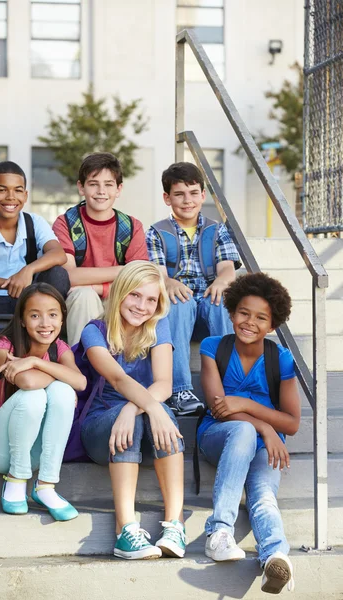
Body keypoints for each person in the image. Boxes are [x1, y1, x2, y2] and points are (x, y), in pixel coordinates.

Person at [198, 272, 300, 594]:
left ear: (272, 325)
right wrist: (264, 426)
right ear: (231, 313)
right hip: (219, 434)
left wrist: (246, 404)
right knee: (241, 429)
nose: (249, 322)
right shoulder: (212, 347)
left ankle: (275, 557)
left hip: (266, 446)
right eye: (243, 313)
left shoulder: (280, 358)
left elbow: (293, 423)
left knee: (264, 495)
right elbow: (218, 407)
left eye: (260, 318)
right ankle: (219, 532)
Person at [80, 261, 186, 560]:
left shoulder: (158, 326)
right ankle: (126, 530)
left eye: (151, 299)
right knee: (151, 415)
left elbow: (165, 383)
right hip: (100, 428)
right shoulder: (94, 330)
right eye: (135, 296)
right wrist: (138, 410)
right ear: (120, 293)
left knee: (159, 415)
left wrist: (133, 408)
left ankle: (175, 525)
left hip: (140, 420)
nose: (142, 306)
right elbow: (117, 378)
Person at [0, 282, 87, 520]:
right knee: (37, 395)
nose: (45, 323)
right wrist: (58, 374)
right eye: (35, 315)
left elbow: (81, 382)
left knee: (63, 392)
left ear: (62, 319)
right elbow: (27, 382)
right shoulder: (3, 347)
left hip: (35, 451)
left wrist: (36, 362)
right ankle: (16, 480)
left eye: (53, 315)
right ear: (23, 320)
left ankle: (45, 485)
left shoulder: (60, 349)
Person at [146, 162, 241, 416]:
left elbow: (227, 269)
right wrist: (168, 282)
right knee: (177, 301)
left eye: (192, 193)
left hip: (208, 306)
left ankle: (229, 384)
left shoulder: (217, 230)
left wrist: (222, 279)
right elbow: (157, 274)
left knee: (221, 300)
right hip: (178, 313)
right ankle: (180, 390)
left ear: (202, 194)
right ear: (167, 198)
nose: (186, 200)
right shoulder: (156, 233)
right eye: (178, 194)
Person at [0, 160, 70, 329]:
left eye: (17, 191)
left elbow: (58, 254)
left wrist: (27, 271)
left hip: (29, 300)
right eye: (2, 190)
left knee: (58, 274)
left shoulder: (35, 222)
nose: (11, 197)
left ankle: (50, 341)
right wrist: (11, 282)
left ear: (25, 195)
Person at [53, 152, 148, 347]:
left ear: (119, 189)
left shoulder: (131, 226)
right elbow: (68, 277)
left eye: (108, 184)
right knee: (84, 296)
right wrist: (122, 270)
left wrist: (99, 287)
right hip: (78, 302)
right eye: (93, 184)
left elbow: (139, 280)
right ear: (81, 187)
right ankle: (83, 368)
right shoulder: (65, 224)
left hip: (118, 299)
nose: (101, 191)